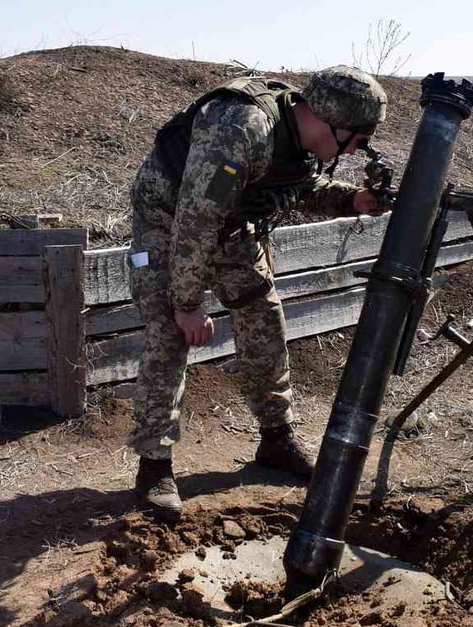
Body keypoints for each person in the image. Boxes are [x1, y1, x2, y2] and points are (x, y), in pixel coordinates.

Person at [128, 65, 390, 522]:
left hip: (230, 227)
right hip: (169, 224)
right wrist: (188, 304)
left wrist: (353, 201)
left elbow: (298, 186)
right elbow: (195, 219)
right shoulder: (240, 128)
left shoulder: (299, 137)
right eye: (357, 139)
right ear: (333, 121)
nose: (355, 150)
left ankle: (275, 439)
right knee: (170, 335)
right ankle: (154, 465)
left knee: (263, 320)